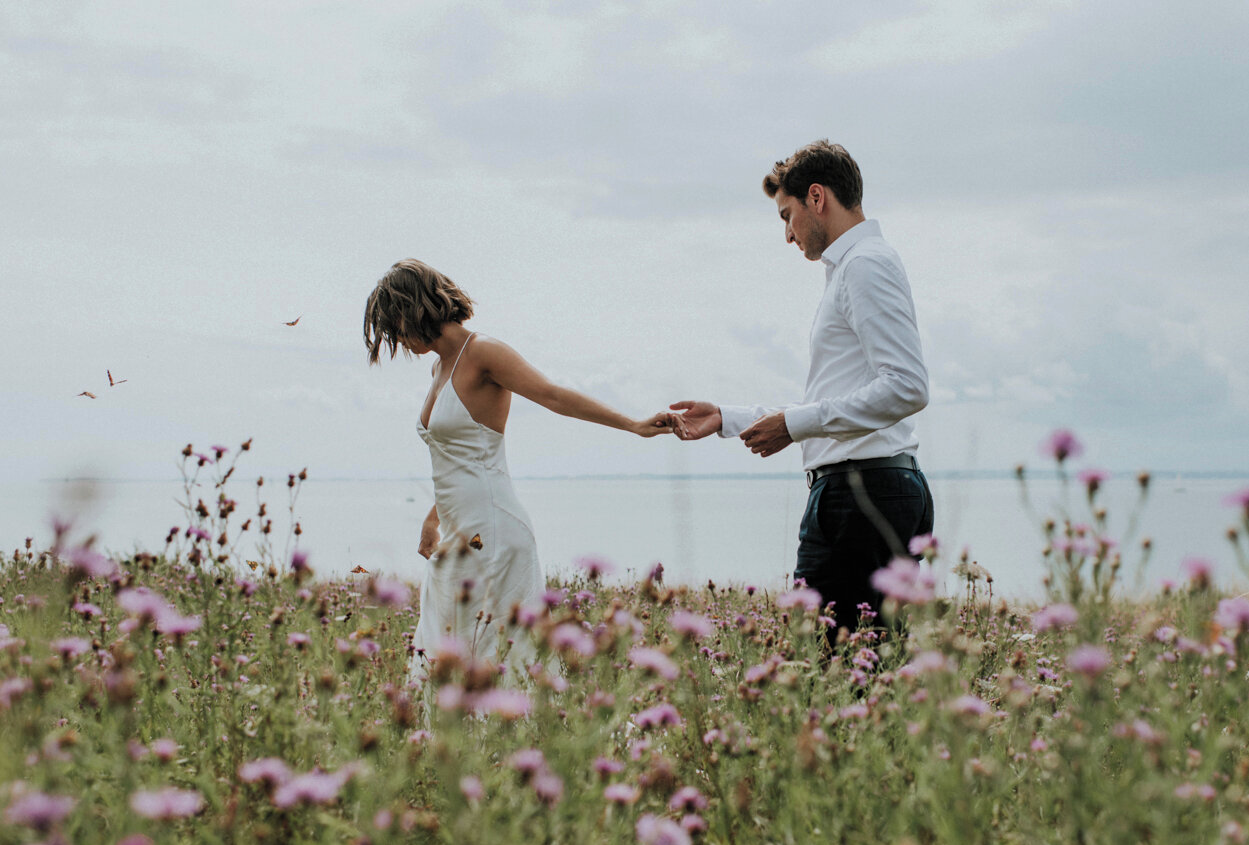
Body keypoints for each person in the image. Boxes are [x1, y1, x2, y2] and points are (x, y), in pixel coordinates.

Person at [363, 259, 673, 680]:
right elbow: (458, 459)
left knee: (501, 656)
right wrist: (432, 518)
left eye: (394, 326)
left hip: (494, 530)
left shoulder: (483, 352)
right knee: (442, 653)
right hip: (457, 532)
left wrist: (633, 425)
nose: (397, 338)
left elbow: (553, 395)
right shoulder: (437, 368)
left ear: (413, 307)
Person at [671, 141, 934, 635]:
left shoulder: (865, 264)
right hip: (859, 490)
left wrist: (793, 425)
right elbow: (836, 396)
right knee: (841, 668)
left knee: (843, 672)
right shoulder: (852, 269)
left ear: (817, 198)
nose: (788, 235)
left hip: (863, 495)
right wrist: (729, 418)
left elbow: (907, 387)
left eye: (786, 216)